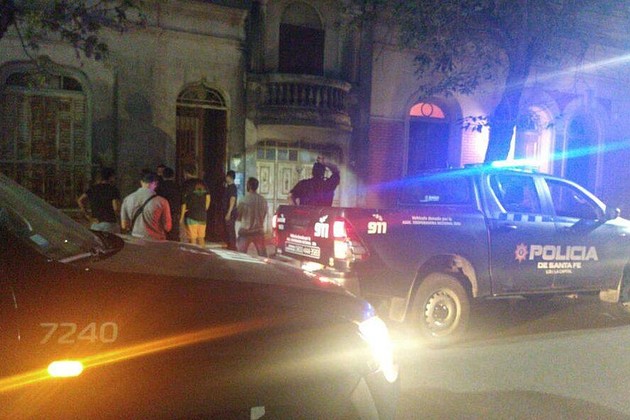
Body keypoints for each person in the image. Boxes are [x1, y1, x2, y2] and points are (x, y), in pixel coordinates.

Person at [120, 172, 172, 240]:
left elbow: (124, 225)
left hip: (135, 240)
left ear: (141, 182)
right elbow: (167, 227)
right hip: (156, 241)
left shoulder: (127, 199)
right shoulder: (162, 201)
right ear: (156, 183)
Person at [77, 167, 122, 233]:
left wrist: (87, 215)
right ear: (111, 177)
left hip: (95, 224)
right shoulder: (113, 189)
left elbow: (80, 200)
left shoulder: (93, 189)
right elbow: (116, 208)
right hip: (110, 223)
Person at [236, 177, 268, 257]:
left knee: (240, 256)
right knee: (263, 255)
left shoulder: (243, 200)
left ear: (249, 186)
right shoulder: (263, 200)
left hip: (245, 232)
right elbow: (264, 214)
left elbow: (238, 216)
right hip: (259, 231)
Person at [181, 166, 210, 247]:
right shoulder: (203, 183)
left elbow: (183, 202)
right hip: (202, 215)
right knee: (201, 238)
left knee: (192, 239)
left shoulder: (186, 184)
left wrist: (181, 217)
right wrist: (204, 209)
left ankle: (193, 254)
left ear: (186, 173)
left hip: (191, 215)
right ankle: (203, 254)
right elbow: (208, 198)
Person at [156, 166, 181, 241]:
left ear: (163, 176)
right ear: (173, 176)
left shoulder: (159, 187)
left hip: (162, 214)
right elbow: (182, 201)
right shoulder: (177, 186)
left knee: (163, 235)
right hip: (174, 213)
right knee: (174, 235)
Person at [223, 170, 238, 250]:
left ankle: (232, 246)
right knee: (228, 230)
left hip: (231, 213)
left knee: (230, 230)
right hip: (228, 211)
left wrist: (229, 212)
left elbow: (232, 200)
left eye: (227, 176)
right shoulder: (228, 187)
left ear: (230, 177)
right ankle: (230, 245)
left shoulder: (232, 188)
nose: (226, 178)